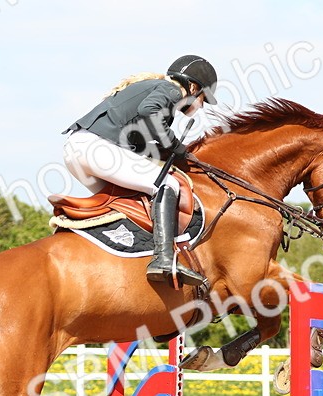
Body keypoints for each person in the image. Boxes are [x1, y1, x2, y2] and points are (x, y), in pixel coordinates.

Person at [63, 55, 218, 286]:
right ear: (193, 88)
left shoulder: (156, 89)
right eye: (203, 99)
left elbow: (136, 140)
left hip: (78, 150)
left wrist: (167, 149)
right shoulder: (172, 91)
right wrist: (174, 145)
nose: (200, 107)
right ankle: (164, 258)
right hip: (96, 148)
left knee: (125, 200)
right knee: (168, 184)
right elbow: (149, 110)